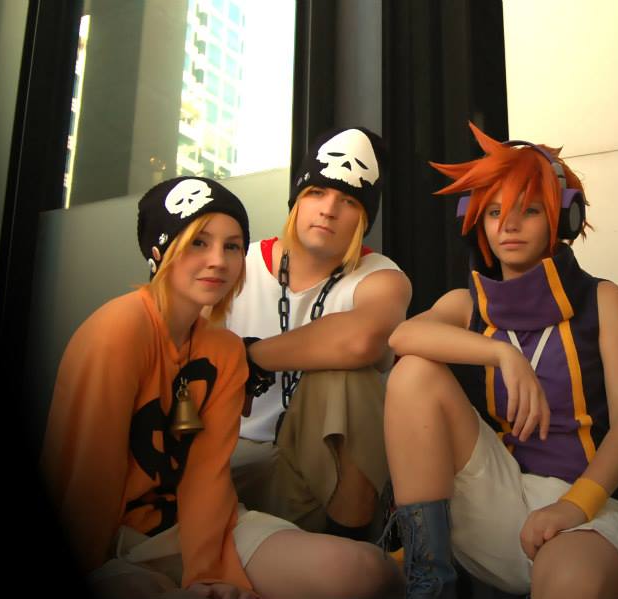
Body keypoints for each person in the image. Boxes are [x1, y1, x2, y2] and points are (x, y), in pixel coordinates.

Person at [42, 176, 400, 599]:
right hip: (113, 536)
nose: (218, 260)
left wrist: (208, 575)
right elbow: (84, 480)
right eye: (198, 242)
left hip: (199, 525)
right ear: (159, 251)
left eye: (232, 246)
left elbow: (206, 476)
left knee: (367, 572)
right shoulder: (120, 329)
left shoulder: (225, 350)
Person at [383, 123, 618, 599]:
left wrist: (573, 506)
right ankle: (428, 581)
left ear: (562, 217)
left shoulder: (603, 300)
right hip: (497, 500)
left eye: (528, 210)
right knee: (414, 372)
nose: (508, 224)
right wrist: (501, 353)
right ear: (477, 221)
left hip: (589, 507)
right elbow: (403, 336)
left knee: (570, 581)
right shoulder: (466, 304)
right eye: (494, 211)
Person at [228, 127, 412, 540]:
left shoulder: (382, 277)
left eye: (348, 201)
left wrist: (250, 357)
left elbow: (362, 340)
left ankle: (349, 550)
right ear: (297, 201)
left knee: (347, 374)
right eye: (316, 193)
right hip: (224, 461)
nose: (328, 210)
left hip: (313, 473)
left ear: (364, 220)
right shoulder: (236, 263)